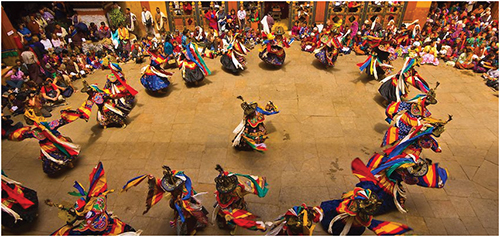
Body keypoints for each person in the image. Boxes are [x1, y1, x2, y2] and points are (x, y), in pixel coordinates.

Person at [47, 162, 139, 235]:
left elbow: (74, 232)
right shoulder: (99, 204)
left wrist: (66, 229)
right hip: (116, 226)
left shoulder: (85, 226)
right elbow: (100, 193)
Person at [122, 165, 209, 235]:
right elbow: (159, 184)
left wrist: (183, 202)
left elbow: (190, 200)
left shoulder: (186, 192)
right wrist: (152, 179)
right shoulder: (173, 185)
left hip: (186, 210)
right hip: (178, 204)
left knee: (189, 222)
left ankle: (191, 230)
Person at [8, 107, 80, 175]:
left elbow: (23, 135)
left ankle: (66, 162)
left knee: (49, 159)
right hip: (60, 141)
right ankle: (70, 162)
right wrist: (71, 113)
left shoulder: (34, 132)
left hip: (50, 147)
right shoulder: (50, 124)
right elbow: (62, 121)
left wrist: (20, 132)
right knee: (66, 143)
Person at [213, 165, 268, 235]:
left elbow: (247, 187)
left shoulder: (238, 187)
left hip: (239, 203)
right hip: (231, 209)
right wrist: (232, 217)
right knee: (232, 220)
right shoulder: (223, 199)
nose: (234, 192)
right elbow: (228, 211)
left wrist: (255, 189)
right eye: (231, 192)